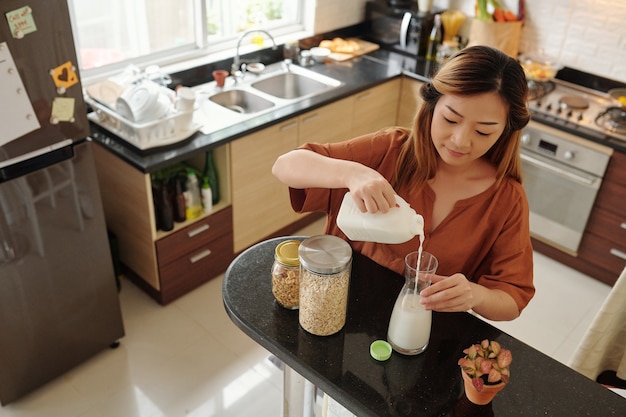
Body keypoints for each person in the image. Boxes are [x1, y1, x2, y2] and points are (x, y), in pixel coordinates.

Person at [272, 45, 535, 321]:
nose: (460, 140)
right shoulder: (391, 150)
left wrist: (477, 295)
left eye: (483, 131)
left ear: (505, 131)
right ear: (433, 106)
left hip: (415, 333)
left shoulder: (507, 200)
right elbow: (286, 165)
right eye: (450, 119)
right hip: (335, 314)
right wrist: (351, 174)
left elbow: (512, 299)